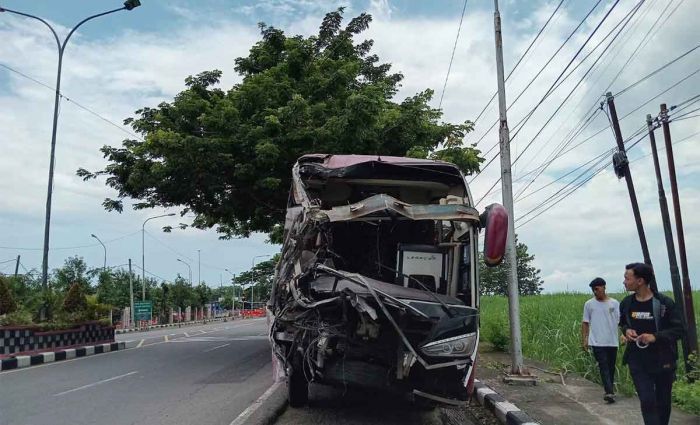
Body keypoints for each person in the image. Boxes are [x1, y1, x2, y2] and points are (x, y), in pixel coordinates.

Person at [620, 262, 685, 425]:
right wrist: (627, 331)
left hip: (663, 360)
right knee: (647, 399)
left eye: (627, 278)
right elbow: (623, 323)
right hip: (637, 360)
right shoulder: (627, 303)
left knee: (663, 402)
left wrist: (655, 337)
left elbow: (679, 329)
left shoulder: (664, 303)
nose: (624, 282)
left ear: (640, 281)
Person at [581, 277, 620, 403]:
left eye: (597, 289)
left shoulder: (614, 303)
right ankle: (609, 392)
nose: (595, 292)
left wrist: (624, 334)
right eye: (593, 290)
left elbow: (621, 321)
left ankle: (610, 390)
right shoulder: (589, 304)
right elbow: (585, 323)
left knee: (611, 366)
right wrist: (585, 339)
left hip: (612, 341)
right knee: (603, 365)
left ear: (604, 287)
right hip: (596, 341)